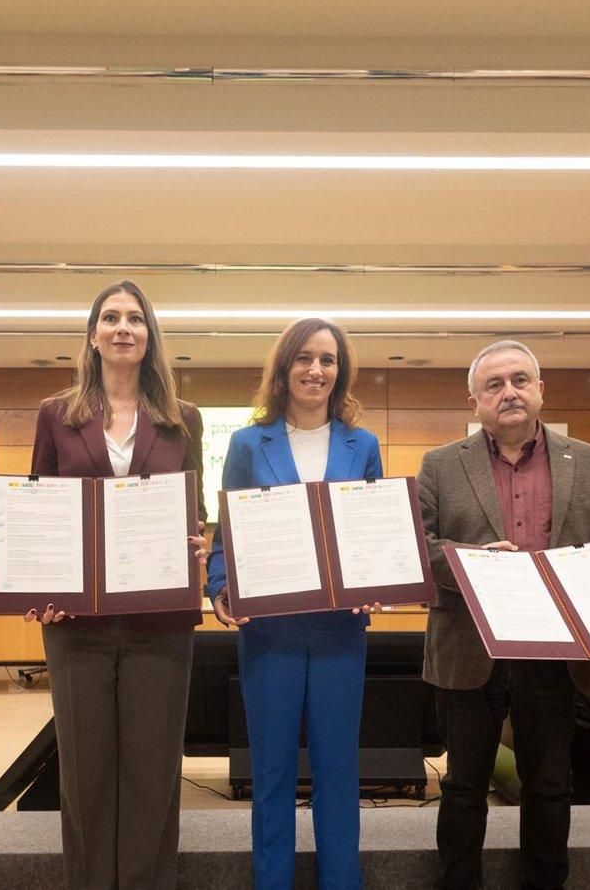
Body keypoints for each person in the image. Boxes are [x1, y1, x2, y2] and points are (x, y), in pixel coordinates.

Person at [418, 340, 590, 889]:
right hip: (469, 649)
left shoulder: (588, 459)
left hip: (557, 652)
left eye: (519, 380)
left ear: (540, 390)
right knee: (464, 785)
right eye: (494, 385)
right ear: (475, 400)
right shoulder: (440, 464)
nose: (508, 392)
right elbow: (420, 545)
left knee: (551, 785)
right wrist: (469, 562)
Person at [26, 280, 207, 889]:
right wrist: (37, 590)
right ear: (93, 334)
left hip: (161, 623)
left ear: (150, 335)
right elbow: (40, 507)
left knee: (154, 775)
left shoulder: (183, 419)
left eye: (135, 318)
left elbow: (193, 507)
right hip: (77, 627)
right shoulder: (57, 414)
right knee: (86, 775)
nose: (123, 327)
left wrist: (197, 546)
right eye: (111, 317)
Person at [205, 318, 382, 890]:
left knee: (339, 773)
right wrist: (221, 588)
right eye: (304, 358)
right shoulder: (245, 444)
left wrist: (382, 578)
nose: (316, 370)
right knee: (272, 774)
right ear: (283, 369)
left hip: (339, 633)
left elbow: (374, 535)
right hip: (270, 633)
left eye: (328, 360)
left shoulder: (365, 445)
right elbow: (225, 536)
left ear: (341, 371)